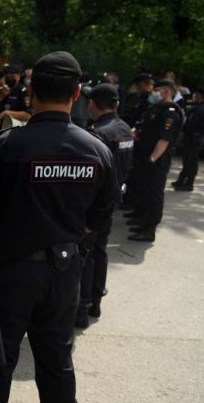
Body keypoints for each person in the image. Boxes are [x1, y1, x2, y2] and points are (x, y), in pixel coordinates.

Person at [0, 51, 117, 403]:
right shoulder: (98, 151)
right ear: (76, 94)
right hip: (64, 273)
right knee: (57, 363)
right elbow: (98, 222)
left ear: (31, 93)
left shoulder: (6, 146)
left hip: (10, 272)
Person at [76, 83, 134, 328]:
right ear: (117, 104)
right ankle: (96, 299)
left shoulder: (99, 133)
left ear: (93, 104)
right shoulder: (124, 129)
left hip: (96, 203)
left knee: (86, 254)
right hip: (112, 200)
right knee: (99, 251)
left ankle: (83, 307)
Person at [126, 79, 183, 242]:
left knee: (153, 194)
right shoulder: (157, 109)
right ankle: (142, 220)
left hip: (157, 160)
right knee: (143, 189)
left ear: (166, 92)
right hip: (145, 156)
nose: (153, 93)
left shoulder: (170, 112)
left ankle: (149, 229)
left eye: (156, 90)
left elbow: (164, 140)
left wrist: (152, 159)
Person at [172, 86, 204, 191]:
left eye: (196, 95)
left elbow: (192, 124)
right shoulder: (199, 107)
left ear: (200, 96)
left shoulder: (201, 108)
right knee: (187, 159)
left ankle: (188, 183)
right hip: (193, 136)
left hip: (194, 137)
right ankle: (181, 180)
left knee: (191, 160)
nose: (194, 97)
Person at [0, 66, 32, 130]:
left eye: (12, 75)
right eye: (7, 75)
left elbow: (27, 115)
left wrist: (6, 113)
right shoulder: (1, 90)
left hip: (14, 129)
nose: (9, 77)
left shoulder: (22, 91)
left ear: (18, 77)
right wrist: (1, 96)